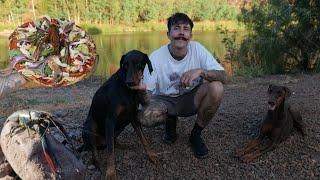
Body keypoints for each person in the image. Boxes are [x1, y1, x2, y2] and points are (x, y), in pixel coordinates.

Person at [138, 12, 226, 159]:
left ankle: (195, 135)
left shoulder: (197, 49)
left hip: (191, 99)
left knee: (217, 87)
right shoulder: (155, 58)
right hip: (165, 100)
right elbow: (147, 97)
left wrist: (201, 72)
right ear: (168, 34)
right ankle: (170, 121)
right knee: (144, 116)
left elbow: (224, 77)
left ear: (190, 35)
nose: (181, 33)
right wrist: (141, 92)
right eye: (176, 28)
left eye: (186, 29)